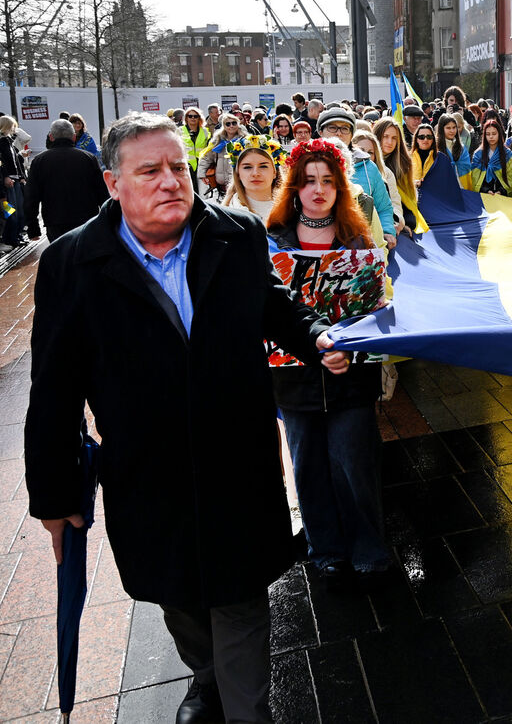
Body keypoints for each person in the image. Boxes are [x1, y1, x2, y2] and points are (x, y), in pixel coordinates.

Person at [25, 112, 348, 724]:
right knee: (179, 599)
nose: (171, 181)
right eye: (150, 171)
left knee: (241, 599)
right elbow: (53, 390)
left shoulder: (238, 234)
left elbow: (273, 305)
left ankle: (245, 708)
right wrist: (54, 492)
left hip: (238, 464)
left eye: (178, 167)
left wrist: (315, 339)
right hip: (148, 476)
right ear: (111, 181)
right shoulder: (71, 263)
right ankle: (207, 674)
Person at [263, 139, 394, 599]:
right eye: (309, 181)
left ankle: (369, 548)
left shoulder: (356, 241)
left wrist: (350, 352)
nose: (318, 190)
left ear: (341, 189)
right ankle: (325, 549)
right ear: (294, 188)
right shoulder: (272, 241)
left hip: (349, 377)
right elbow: (267, 314)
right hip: (294, 378)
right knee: (309, 468)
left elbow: (376, 313)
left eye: (328, 182)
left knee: (355, 464)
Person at [23, 119, 108, 243]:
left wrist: (33, 228)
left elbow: (31, 196)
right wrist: (108, 221)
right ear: (74, 137)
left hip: (55, 220)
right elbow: (102, 192)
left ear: (51, 137)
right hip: (86, 218)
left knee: (60, 258)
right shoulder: (88, 158)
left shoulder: (39, 161)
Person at [318, 107, 397, 241]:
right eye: (332, 127)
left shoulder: (369, 167)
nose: (338, 133)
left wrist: (387, 231)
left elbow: (383, 207)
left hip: (361, 244)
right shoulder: (305, 166)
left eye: (345, 128)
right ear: (320, 131)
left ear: (351, 134)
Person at [354, 129, 419, 236]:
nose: (365, 155)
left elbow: (393, 203)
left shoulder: (386, 173)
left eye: (370, 152)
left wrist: (396, 223)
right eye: (360, 150)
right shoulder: (345, 171)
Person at [372, 117, 426, 235]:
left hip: (399, 217)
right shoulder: (368, 161)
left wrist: (404, 222)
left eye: (394, 138)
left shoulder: (403, 163)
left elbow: (408, 199)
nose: (389, 142)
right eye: (385, 137)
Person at [222, 135, 285, 217]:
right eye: (247, 167)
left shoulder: (291, 209)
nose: (255, 173)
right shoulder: (227, 214)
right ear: (238, 174)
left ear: (274, 172)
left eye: (263, 166)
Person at [196, 113, 246, 200]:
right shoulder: (218, 140)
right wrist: (202, 174)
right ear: (224, 126)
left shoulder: (245, 140)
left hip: (240, 183)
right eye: (228, 124)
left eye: (234, 123)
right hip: (221, 185)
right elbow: (207, 158)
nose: (231, 126)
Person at [471, 119, 512, 197]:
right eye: (488, 134)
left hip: (503, 195)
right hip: (484, 195)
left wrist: (501, 191)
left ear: (499, 134)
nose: (491, 137)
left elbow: (511, 178)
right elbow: (475, 179)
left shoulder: (507, 154)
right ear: (484, 136)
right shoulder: (478, 154)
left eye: (494, 133)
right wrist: (486, 190)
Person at [0, 117, 28, 250]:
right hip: (8, 182)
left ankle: (16, 235)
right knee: (11, 211)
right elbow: (1, 163)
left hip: (15, 180)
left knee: (19, 210)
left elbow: (16, 161)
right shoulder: (2, 142)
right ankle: (10, 237)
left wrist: (21, 176)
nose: (13, 129)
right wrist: (5, 176)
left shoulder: (9, 142)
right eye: (11, 126)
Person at [437, 113, 472, 190]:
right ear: (441, 129)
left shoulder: (462, 148)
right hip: (443, 189)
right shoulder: (436, 148)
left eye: (454, 127)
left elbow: (467, 168)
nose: (452, 131)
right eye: (448, 128)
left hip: (462, 188)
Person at [179, 107, 211, 190]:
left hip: (202, 165)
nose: (193, 118)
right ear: (186, 118)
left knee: (202, 192)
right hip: (186, 165)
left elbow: (209, 148)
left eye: (195, 116)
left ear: (199, 118)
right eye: (190, 116)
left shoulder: (205, 131)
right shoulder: (179, 131)